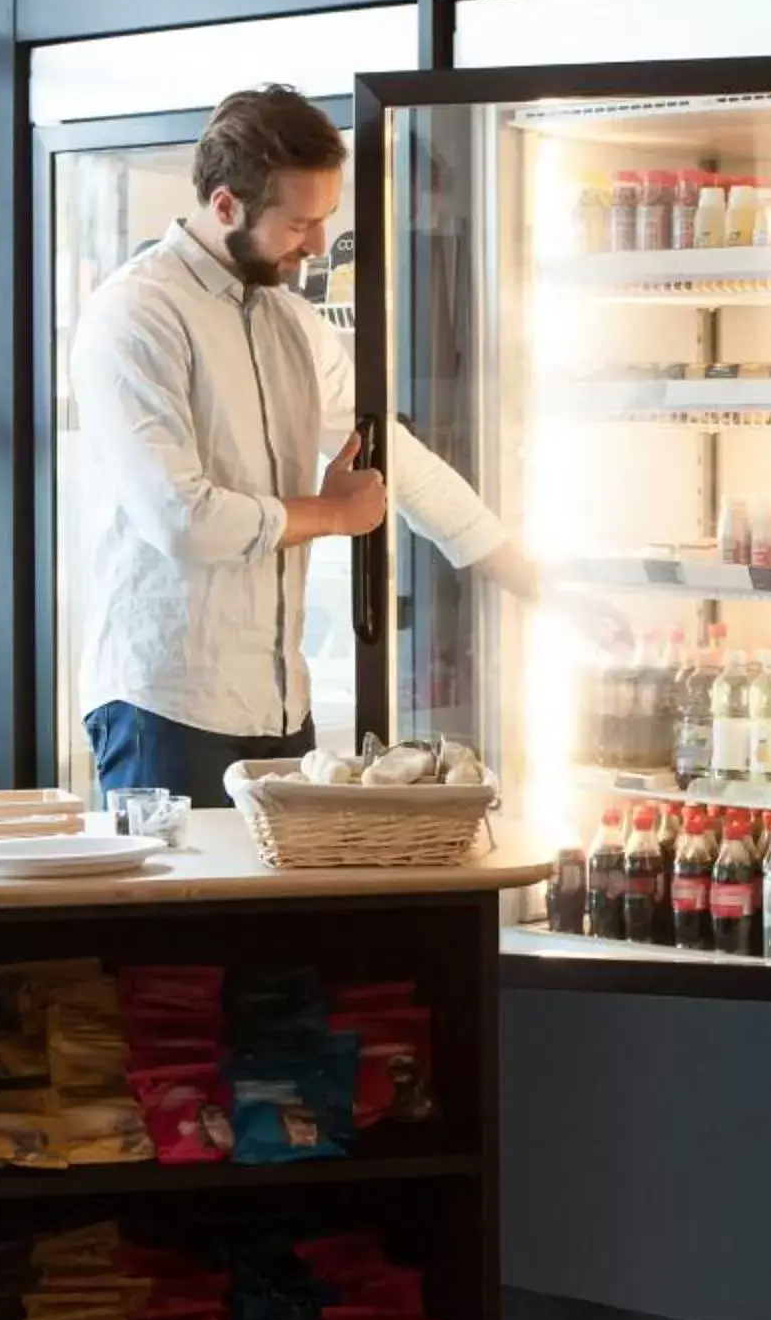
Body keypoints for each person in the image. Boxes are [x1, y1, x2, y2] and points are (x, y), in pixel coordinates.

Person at [69, 82, 546, 802]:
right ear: (225, 205)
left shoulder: (294, 323)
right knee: (182, 918)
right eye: (299, 224)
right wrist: (328, 515)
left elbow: (396, 460)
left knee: (284, 920)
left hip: (282, 706)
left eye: (325, 219)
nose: (319, 245)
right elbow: (179, 517)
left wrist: (528, 577)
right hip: (165, 708)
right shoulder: (135, 315)